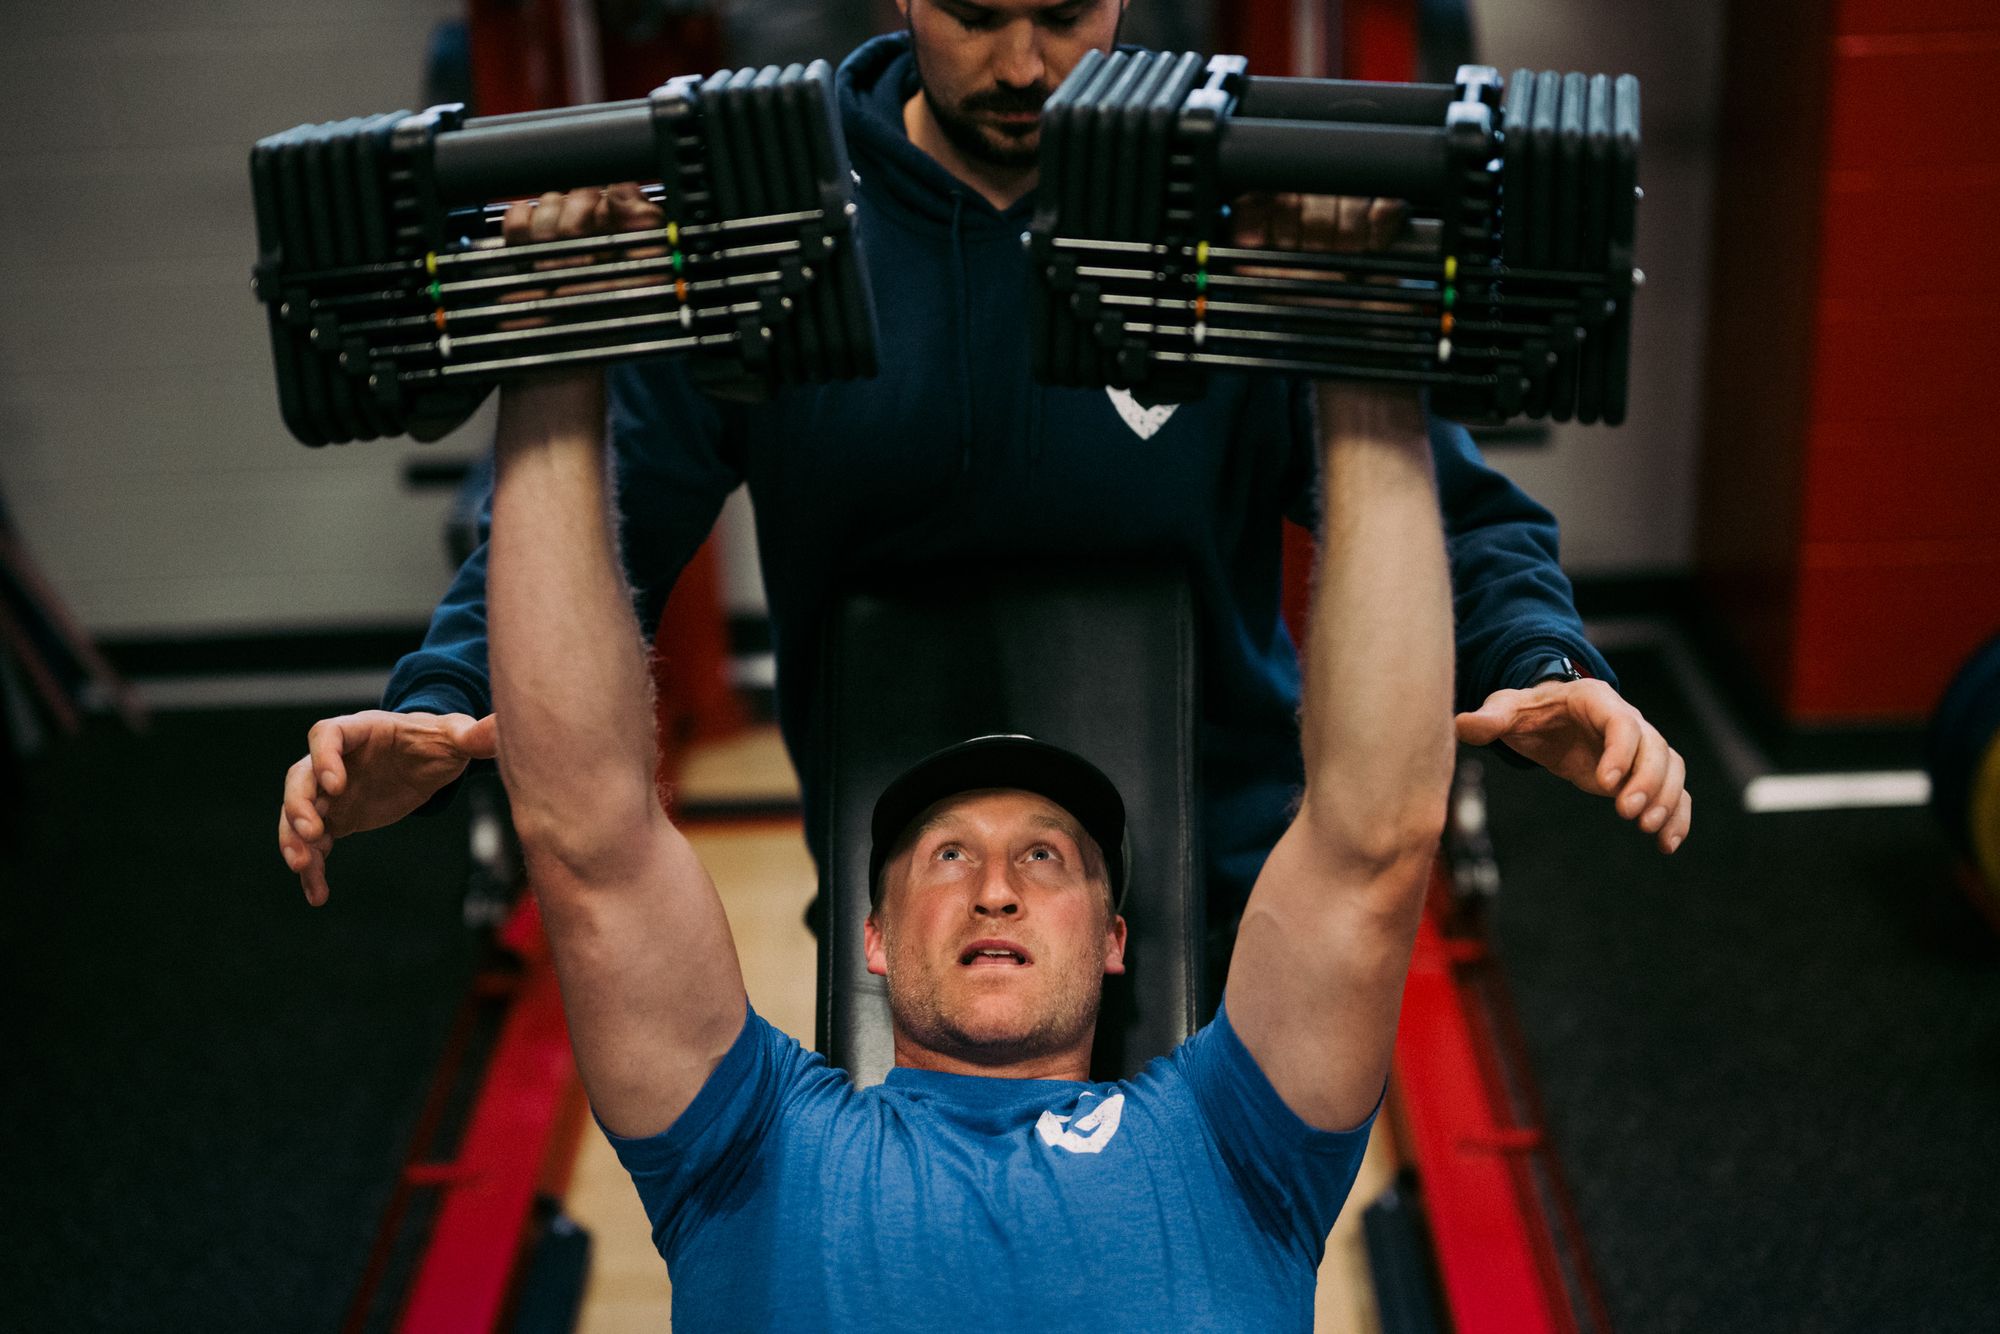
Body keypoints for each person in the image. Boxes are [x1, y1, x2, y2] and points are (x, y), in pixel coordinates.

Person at [278, 0, 1692, 924]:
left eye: (1064, 13)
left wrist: (1549, 665)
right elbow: (609, 522)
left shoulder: (1228, 200)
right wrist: (443, 698)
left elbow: (1452, 511)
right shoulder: (780, 220)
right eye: (978, 13)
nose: (1022, 64)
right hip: (913, 897)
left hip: (1220, 880)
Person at [391, 177, 1460, 1329]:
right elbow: (586, 836)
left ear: (1114, 939)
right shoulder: (750, 1148)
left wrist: (1363, 362)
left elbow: (1372, 838)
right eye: (944, 855)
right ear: (873, 935)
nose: (994, 882)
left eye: (1046, 856)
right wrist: (554, 368)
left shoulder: (1228, 1144)